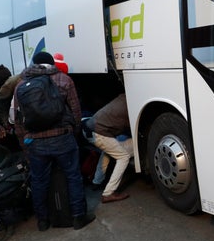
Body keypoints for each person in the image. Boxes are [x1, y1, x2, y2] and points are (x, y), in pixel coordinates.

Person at [12, 51, 93, 231]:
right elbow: (76, 112)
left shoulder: (22, 85)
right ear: (52, 63)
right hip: (62, 138)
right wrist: (74, 132)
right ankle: (79, 217)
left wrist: (24, 144)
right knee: (73, 176)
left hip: (35, 142)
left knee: (39, 181)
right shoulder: (64, 80)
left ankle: (42, 221)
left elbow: (18, 120)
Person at [87, 93, 133, 203]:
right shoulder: (130, 107)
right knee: (123, 157)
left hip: (90, 127)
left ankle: (97, 181)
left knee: (108, 151)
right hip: (99, 132)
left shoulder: (123, 97)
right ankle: (108, 193)